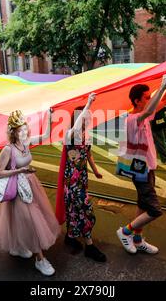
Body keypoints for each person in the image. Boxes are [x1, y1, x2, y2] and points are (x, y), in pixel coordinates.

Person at [0, 109, 60, 276]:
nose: (24, 131)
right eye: (20, 130)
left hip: (30, 184)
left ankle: (20, 246)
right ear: (13, 132)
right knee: (31, 221)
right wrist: (19, 170)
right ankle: (40, 260)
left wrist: (50, 118)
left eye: (25, 128)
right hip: (17, 189)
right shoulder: (8, 150)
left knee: (22, 220)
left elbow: (45, 136)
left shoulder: (26, 143)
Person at [116, 73, 166, 254]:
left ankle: (138, 239)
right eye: (147, 97)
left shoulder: (143, 115)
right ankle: (125, 231)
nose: (150, 100)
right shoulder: (133, 119)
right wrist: (163, 86)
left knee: (143, 204)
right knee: (154, 210)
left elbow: (162, 103)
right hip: (139, 169)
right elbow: (150, 110)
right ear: (136, 101)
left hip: (147, 167)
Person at [56, 93, 106, 262]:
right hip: (72, 183)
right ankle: (89, 245)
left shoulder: (86, 136)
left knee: (75, 211)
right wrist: (88, 104)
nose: (88, 121)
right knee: (85, 211)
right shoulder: (69, 135)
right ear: (78, 119)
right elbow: (76, 129)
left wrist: (95, 170)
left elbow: (88, 154)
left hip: (82, 181)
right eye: (85, 118)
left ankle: (71, 236)